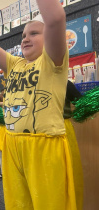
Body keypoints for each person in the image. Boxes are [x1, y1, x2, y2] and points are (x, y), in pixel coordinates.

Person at [0, 0, 77, 209]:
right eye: (24, 35)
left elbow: (55, 19)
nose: (26, 38)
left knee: (50, 203)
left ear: (50, 39)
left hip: (44, 144)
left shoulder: (52, 61)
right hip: (13, 143)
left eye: (34, 33)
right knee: (18, 203)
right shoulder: (14, 64)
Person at [64, 80, 84, 210]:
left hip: (62, 130)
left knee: (67, 172)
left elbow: (82, 103)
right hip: (35, 135)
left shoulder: (64, 83)